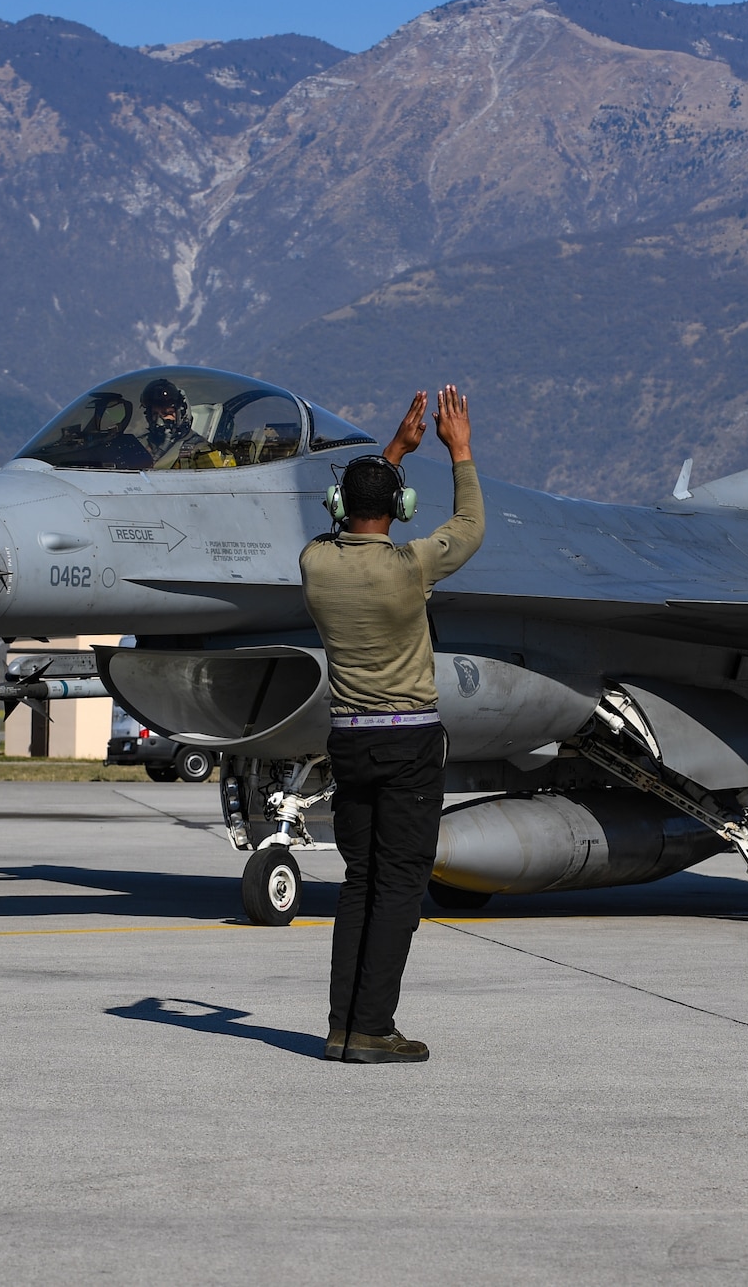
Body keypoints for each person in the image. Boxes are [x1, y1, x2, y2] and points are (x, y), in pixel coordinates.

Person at [300, 384, 483, 1064]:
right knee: (400, 883)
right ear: (400, 510)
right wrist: (458, 450)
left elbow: (348, 523)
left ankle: (343, 1026)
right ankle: (373, 1027)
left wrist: (392, 451)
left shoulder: (316, 565)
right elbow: (469, 527)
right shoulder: (410, 567)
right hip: (407, 743)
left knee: (359, 880)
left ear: (341, 507)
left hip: (348, 739)